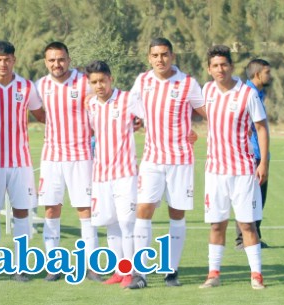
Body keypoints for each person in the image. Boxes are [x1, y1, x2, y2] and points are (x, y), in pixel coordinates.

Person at [127, 38, 207, 289]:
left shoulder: (187, 83)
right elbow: (132, 107)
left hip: (181, 160)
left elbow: (209, 113)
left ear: (172, 56)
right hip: (152, 159)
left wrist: (199, 132)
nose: (159, 59)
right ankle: (140, 272)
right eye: (155, 55)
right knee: (143, 211)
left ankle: (171, 270)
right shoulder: (142, 81)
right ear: (149, 58)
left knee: (177, 213)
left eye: (164, 54)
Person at [199, 45, 268, 290]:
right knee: (217, 224)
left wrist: (264, 163)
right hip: (215, 171)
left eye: (224, 64)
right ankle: (213, 275)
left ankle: (256, 276)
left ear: (231, 66)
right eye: (215, 66)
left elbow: (261, 127)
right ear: (209, 69)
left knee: (247, 224)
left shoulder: (246, 94)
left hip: (243, 170)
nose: (220, 69)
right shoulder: (206, 90)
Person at [0, 41, 45, 282]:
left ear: (14, 60)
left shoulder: (27, 87)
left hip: (20, 161)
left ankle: (21, 266)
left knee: (22, 212)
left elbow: (43, 115)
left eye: (7, 59)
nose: (3, 63)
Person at [35, 41, 100, 282]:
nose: (56, 64)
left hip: (81, 156)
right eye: (51, 60)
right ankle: (54, 265)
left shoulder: (84, 82)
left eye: (60, 59)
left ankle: (91, 265)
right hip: (52, 158)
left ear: (68, 59)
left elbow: (99, 106)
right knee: (51, 209)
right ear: (45, 62)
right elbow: (38, 112)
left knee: (85, 209)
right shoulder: (40, 85)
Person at [85, 60, 140, 288]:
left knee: (127, 223)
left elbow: (150, 120)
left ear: (111, 79)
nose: (99, 85)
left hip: (125, 173)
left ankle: (130, 272)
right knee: (110, 224)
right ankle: (119, 270)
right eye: (94, 82)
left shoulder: (128, 100)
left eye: (102, 80)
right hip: (101, 175)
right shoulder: (91, 104)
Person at [234, 59, 272, 250]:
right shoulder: (246, 94)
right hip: (252, 154)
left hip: (261, 154)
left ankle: (254, 235)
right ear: (257, 75)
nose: (270, 76)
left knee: (258, 198)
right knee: (248, 197)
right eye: (267, 72)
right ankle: (243, 239)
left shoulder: (258, 93)